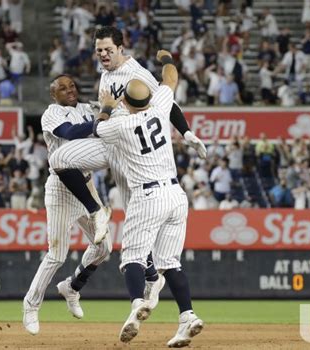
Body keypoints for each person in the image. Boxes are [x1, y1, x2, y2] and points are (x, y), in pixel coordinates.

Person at [92, 49, 203, 347]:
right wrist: (166, 59)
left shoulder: (121, 123)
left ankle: (136, 305)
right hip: (176, 195)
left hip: (148, 195)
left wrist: (105, 106)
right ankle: (187, 316)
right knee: (170, 263)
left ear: (125, 102)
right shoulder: (160, 107)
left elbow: (97, 127)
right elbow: (171, 78)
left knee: (132, 259)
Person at [22, 75, 113, 335]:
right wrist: (101, 119)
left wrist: (109, 108)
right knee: (56, 255)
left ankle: (71, 288)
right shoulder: (51, 113)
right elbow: (70, 133)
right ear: (54, 95)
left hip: (86, 185)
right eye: (62, 88)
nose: (69, 90)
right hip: (61, 188)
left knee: (104, 247)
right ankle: (31, 304)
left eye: (71, 85)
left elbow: (112, 111)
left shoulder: (86, 108)